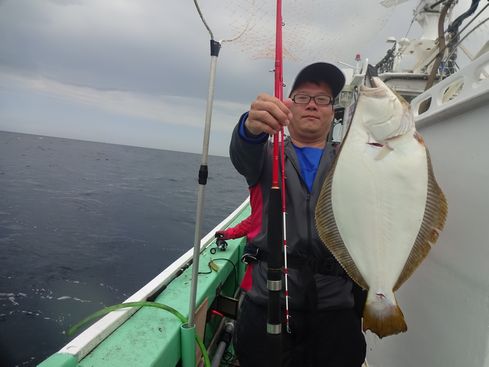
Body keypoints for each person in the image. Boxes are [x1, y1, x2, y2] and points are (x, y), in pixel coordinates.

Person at [229, 62, 367, 367]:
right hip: (269, 299)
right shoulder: (265, 154)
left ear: (334, 111)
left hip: (336, 304)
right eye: (303, 97)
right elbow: (242, 152)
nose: (313, 106)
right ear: (287, 107)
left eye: (323, 99)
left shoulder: (353, 158)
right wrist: (249, 127)